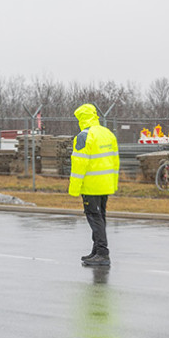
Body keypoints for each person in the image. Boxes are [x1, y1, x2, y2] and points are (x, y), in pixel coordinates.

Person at [69, 104, 119, 267]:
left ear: (82, 118)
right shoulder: (107, 133)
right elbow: (115, 161)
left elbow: (78, 164)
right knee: (100, 216)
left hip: (91, 185)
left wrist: (74, 188)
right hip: (105, 184)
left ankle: (103, 253)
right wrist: (113, 183)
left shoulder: (84, 136)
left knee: (94, 217)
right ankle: (97, 250)